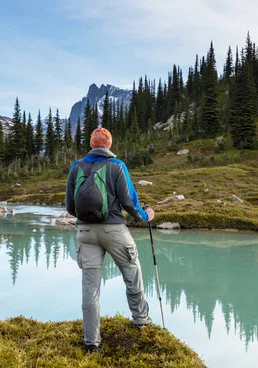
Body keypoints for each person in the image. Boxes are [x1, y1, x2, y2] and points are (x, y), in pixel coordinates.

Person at [65, 127, 155, 353]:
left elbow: (69, 206)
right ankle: (141, 319)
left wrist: (88, 220)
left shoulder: (76, 167)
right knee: (132, 273)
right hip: (114, 230)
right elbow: (129, 202)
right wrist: (146, 216)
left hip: (85, 232)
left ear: (91, 144)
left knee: (90, 288)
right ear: (109, 145)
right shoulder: (117, 166)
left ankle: (91, 342)